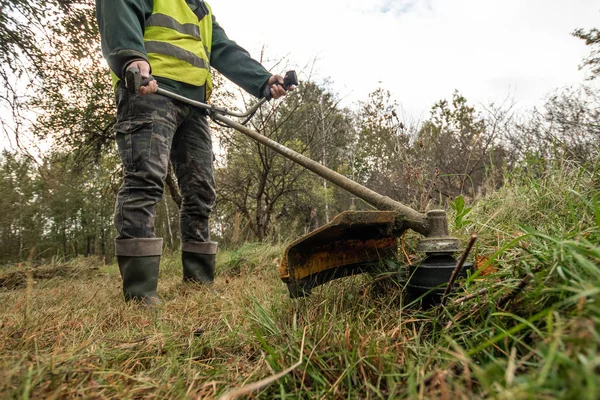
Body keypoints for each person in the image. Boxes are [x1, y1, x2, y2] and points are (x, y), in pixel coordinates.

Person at [96, 0, 291, 305]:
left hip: (196, 105)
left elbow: (223, 49)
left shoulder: (200, 7)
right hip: (150, 90)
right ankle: (140, 293)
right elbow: (117, 9)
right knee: (145, 178)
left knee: (201, 189)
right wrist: (132, 60)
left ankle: (198, 282)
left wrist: (263, 80)